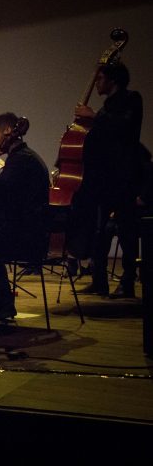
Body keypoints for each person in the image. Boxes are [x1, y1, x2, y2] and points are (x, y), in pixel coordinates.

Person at [0, 113, 50, 320]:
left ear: (7, 131)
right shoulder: (23, 157)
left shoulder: (21, 161)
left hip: (25, 238)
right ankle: (1, 302)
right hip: (28, 233)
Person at [71, 62, 143, 298]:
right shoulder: (108, 106)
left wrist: (94, 116)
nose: (97, 83)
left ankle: (128, 282)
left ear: (112, 80)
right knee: (99, 230)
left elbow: (125, 128)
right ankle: (99, 280)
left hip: (123, 177)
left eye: (100, 78)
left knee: (126, 230)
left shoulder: (132, 98)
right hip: (103, 178)